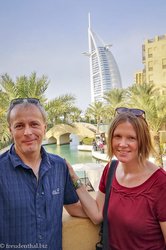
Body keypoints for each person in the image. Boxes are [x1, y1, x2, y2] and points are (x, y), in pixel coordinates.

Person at [67, 107, 166, 249]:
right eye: (117, 136)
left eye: (131, 138)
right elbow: (96, 215)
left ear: (142, 141)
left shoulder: (160, 183)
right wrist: (72, 176)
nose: (122, 144)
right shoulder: (110, 170)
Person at [0, 98, 87, 250]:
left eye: (34, 124)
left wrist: (116, 214)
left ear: (44, 128)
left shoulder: (59, 166)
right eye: (19, 126)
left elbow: (74, 207)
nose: (28, 132)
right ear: (10, 130)